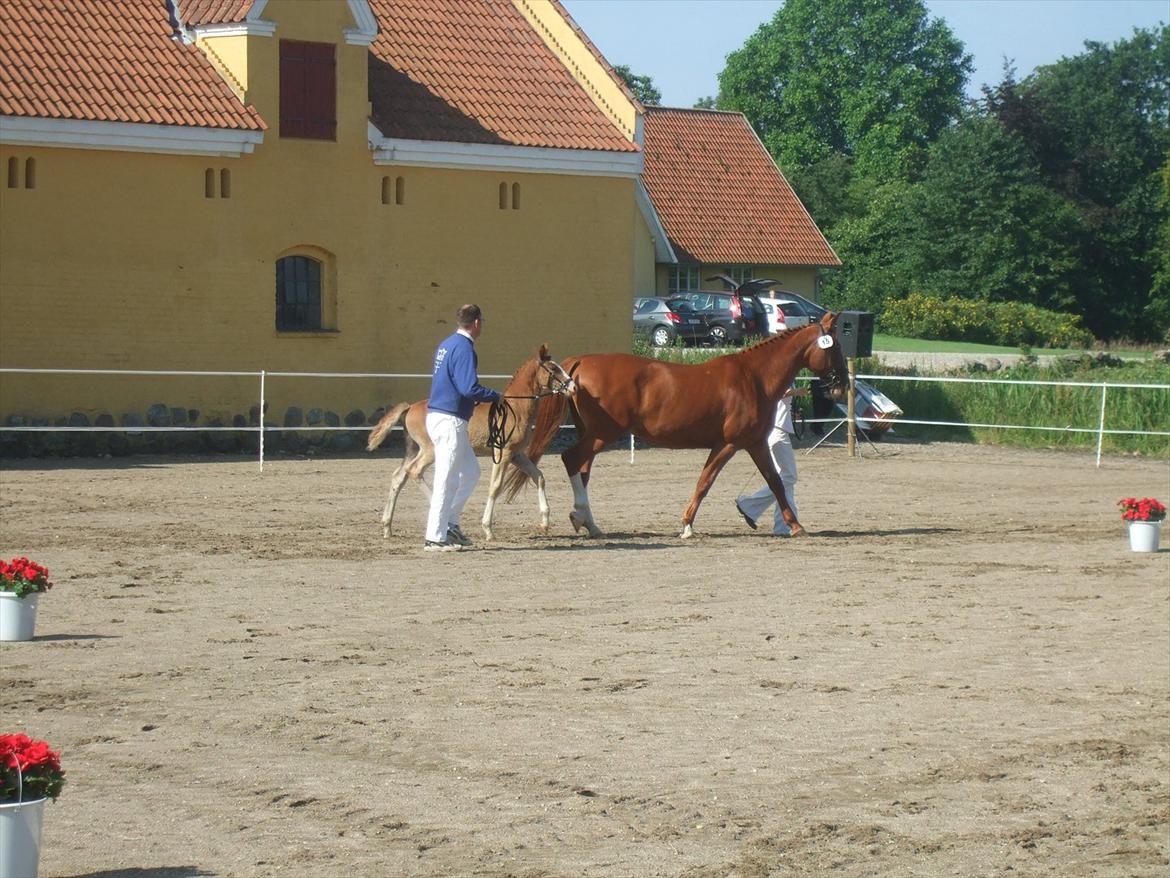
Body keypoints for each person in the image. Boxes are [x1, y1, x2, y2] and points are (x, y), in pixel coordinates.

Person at [423, 304, 500, 552]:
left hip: (440, 415)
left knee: (471, 473)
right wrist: (496, 396)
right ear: (477, 322)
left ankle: (450, 524)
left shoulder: (447, 344)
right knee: (445, 478)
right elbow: (469, 388)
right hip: (450, 419)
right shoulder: (465, 348)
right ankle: (435, 536)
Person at [734, 386, 808, 535]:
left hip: (778, 430)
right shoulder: (782, 378)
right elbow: (778, 393)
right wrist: (797, 392)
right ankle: (749, 505)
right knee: (789, 477)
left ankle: (783, 527)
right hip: (778, 431)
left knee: (785, 482)